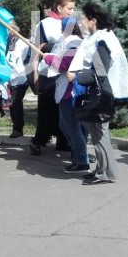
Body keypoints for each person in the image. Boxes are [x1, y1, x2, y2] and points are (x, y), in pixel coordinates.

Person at [68, 2, 128, 185]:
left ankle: (107, 173)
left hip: (101, 93)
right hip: (98, 92)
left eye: (84, 18)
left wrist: (77, 76)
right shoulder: (98, 36)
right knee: (97, 134)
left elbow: (99, 70)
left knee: (100, 134)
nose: (81, 21)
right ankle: (101, 169)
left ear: (93, 20)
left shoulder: (103, 39)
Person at [42, 17, 89, 174]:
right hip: (65, 87)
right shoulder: (68, 41)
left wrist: (48, 58)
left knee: (72, 126)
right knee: (65, 125)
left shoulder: (73, 42)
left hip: (70, 89)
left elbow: (64, 64)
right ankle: (78, 156)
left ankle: (81, 160)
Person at [29, 0, 74, 156]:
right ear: (59, 8)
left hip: (64, 71)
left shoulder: (73, 22)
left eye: (73, 8)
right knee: (46, 109)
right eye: (69, 8)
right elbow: (37, 46)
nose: (72, 11)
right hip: (48, 72)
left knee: (64, 108)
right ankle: (38, 141)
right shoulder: (45, 24)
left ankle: (64, 142)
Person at [6, 21, 30, 138]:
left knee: (15, 102)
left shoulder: (22, 43)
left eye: (11, 29)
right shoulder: (6, 43)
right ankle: (16, 127)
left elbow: (28, 59)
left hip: (20, 77)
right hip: (10, 78)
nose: (9, 32)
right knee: (12, 103)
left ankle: (18, 128)